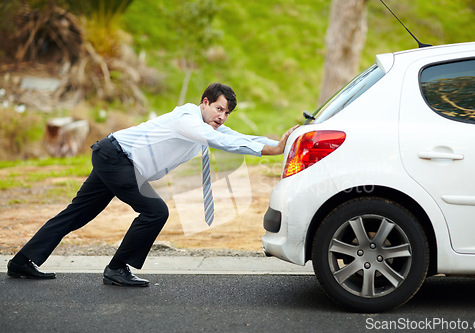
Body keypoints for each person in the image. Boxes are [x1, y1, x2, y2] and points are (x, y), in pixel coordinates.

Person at [7, 83, 298, 287]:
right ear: (205, 103)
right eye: (218, 109)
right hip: (117, 158)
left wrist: (278, 146)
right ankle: (117, 269)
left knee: (76, 215)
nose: (221, 118)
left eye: (226, 113)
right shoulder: (189, 119)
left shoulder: (208, 125)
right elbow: (223, 141)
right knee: (155, 211)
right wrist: (270, 150)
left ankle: (22, 262)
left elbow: (236, 136)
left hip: (114, 157)